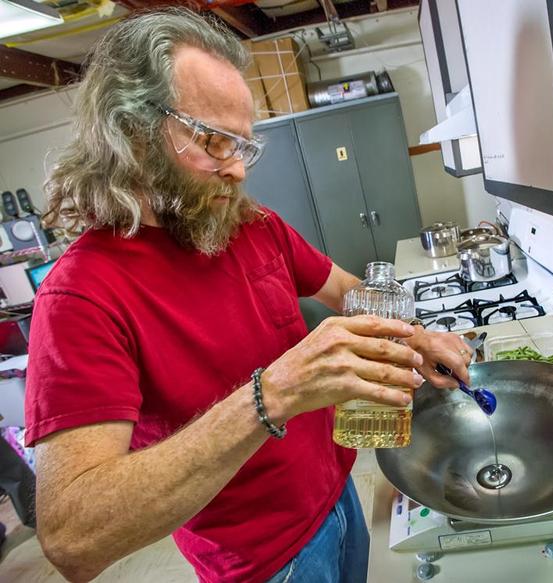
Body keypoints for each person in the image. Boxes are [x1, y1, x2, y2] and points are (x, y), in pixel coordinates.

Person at [23, 8, 473, 583]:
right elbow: (74, 539)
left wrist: (420, 337)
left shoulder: (250, 224)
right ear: (132, 131)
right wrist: (273, 394)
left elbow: (347, 291)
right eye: (214, 142)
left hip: (337, 499)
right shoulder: (80, 297)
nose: (237, 170)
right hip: (263, 563)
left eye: (242, 146)